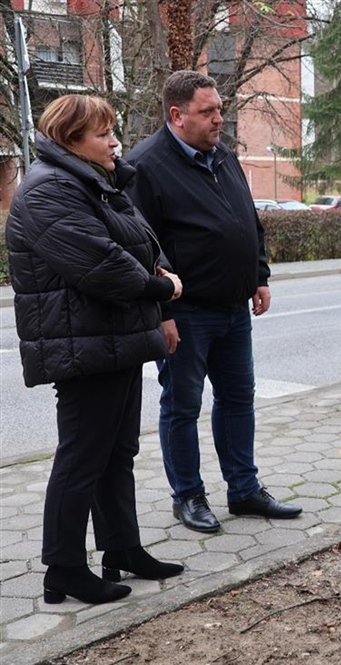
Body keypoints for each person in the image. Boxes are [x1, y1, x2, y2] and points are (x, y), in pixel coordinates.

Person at [6, 95, 185, 604]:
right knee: (82, 458)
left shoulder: (96, 184)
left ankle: (122, 548)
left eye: (113, 132)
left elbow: (142, 242)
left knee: (116, 455)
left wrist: (159, 272)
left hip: (114, 339)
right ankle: (62, 568)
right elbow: (101, 264)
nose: (114, 142)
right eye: (103, 133)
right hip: (82, 345)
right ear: (69, 139)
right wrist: (161, 288)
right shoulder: (48, 191)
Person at [125, 70, 302, 533]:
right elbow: (143, 248)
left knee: (239, 398)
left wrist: (259, 274)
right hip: (186, 313)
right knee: (182, 406)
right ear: (177, 115)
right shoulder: (146, 166)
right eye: (208, 112)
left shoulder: (221, 155)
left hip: (233, 307)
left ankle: (243, 490)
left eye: (220, 108)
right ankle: (188, 497)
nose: (219, 119)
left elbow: (248, 219)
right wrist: (162, 313)